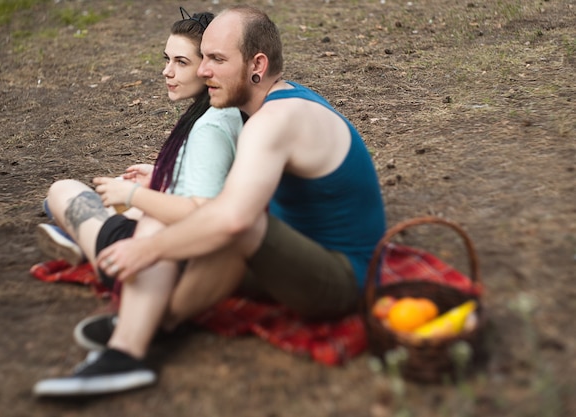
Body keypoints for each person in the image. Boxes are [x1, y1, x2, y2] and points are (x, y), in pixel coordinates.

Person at [34, 5, 386, 397]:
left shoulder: (276, 119)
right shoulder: (259, 110)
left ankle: (148, 332)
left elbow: (235, 219)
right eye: (203, 58)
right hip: (291, 257)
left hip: (343, 281)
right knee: (172, 209)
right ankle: (136, 337)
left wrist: (148, 249)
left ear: (257, 65)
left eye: (216, 59)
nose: (202, 71)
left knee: (237, 223)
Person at [32, 9, 244, 396]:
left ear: (209, 69)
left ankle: (82, 245)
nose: (167, 71)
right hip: (178, 249)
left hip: (153, 258)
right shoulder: (230, 113)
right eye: (167, 60)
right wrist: (161, 175)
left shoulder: (210, 125)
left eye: (182, 62)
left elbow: (201, 210)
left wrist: (132, 194)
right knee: (126, 205)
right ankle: (83, 234)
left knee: (63, 191)